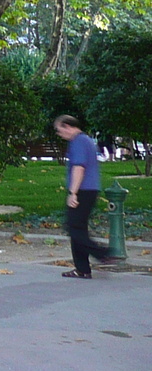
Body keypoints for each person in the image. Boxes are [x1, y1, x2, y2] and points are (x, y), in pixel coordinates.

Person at [54, 116, 122, 279]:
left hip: (82, 190)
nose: (59, 134)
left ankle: (104, 254)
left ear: (67, 126)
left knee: (73, 228)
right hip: (89, 189)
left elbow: (79, 168)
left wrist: (73, 193)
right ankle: (82, 269)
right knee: (78, 229)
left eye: (59, 130)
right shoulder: (85, 140)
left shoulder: (78, 142)